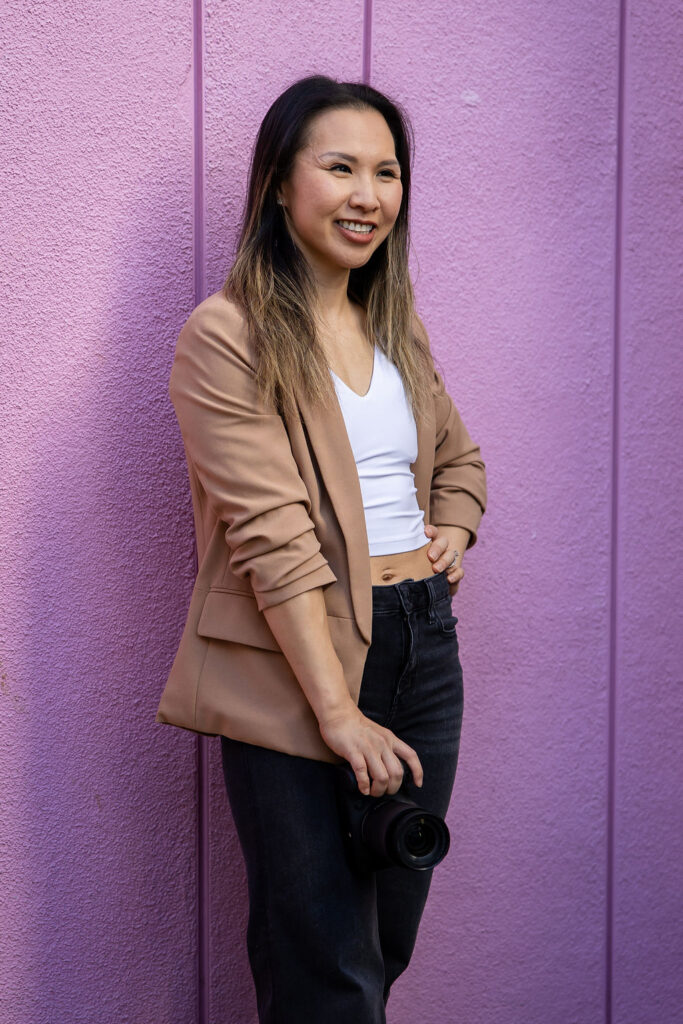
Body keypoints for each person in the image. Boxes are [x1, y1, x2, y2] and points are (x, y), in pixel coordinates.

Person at [155, 74, 487, 1023]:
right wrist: (335, 713)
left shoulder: (393, 328)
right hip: (292, 661)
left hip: (420, 645)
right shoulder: (227, 337)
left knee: (386, 939)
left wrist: (450, 532)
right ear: (277, 186)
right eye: (339, 166)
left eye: (386, 172)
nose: (368, 195)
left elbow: (458, 462)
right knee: (322, 960)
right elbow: (277, 543)